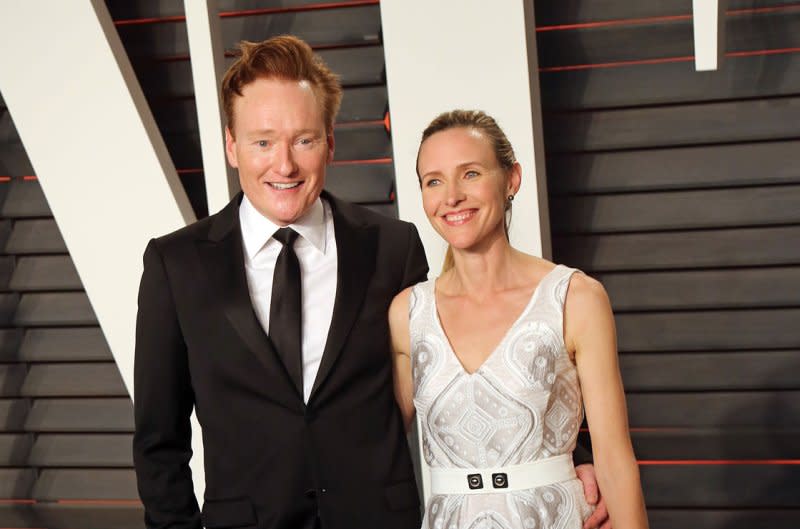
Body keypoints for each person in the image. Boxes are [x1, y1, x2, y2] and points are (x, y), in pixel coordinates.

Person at [133, 35, 609, 529]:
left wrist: (579, 451)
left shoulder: (392, 249)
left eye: (304, 139)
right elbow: (158, 442)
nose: (284, 164)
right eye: (262, 142)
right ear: (232, 146)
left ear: (330, 142)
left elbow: (478, 345)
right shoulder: (177, 264)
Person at [389, 110, 648, 529]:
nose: (451, 196)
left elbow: (614, 459)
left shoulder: (575, 298)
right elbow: (373, 449)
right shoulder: (407, 312)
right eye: (433, 181)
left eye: (470, 173)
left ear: (512, 179)